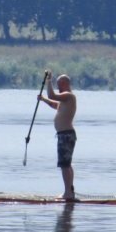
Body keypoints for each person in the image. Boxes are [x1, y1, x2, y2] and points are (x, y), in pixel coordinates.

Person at [39, 70, 77, 200]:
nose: (58, 87)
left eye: (59, 84)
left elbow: (52, 95)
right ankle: (69, 191)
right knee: (66, 164)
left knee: (64, 165)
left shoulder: (69, 96)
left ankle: (68, 193)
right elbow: (54, 104)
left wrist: (48, 80)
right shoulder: (64, 100)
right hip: (64, 135)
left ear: (65, 84)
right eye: (56, 84)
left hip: (66, 135)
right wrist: (43, 99)